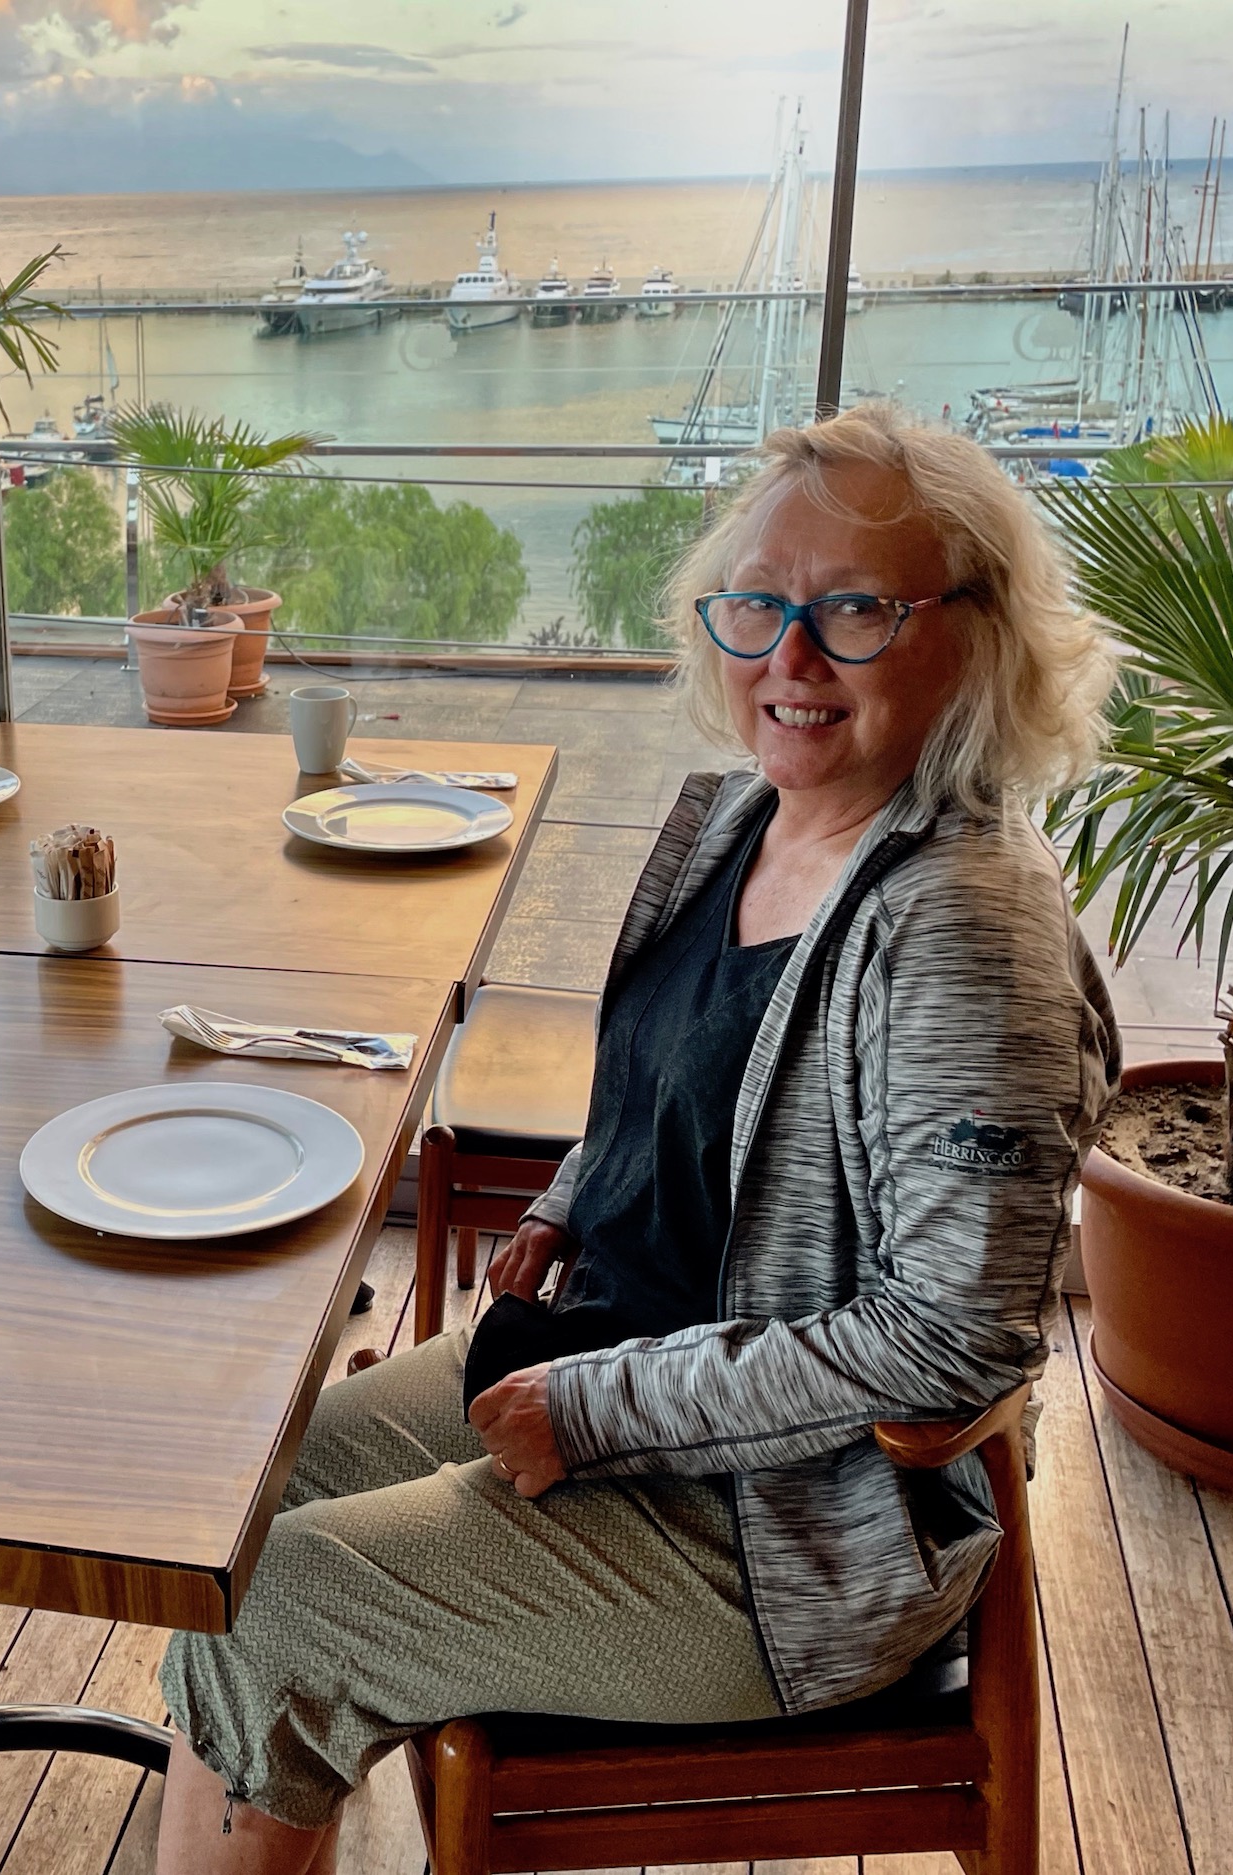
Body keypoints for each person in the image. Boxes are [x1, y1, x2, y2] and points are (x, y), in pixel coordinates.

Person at [152, 404, 1123, 1875]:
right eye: (757, 606)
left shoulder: (963, 925)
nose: (788, 660)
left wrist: (598, 1408)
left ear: (978, 633)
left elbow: (953, 1346)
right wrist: (575, 1195)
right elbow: (677, 1087)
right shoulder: (742, 815)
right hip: (614, 1357)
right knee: (236, 1504)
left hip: (780, 1532)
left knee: (283, 1610)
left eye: (854, 611)